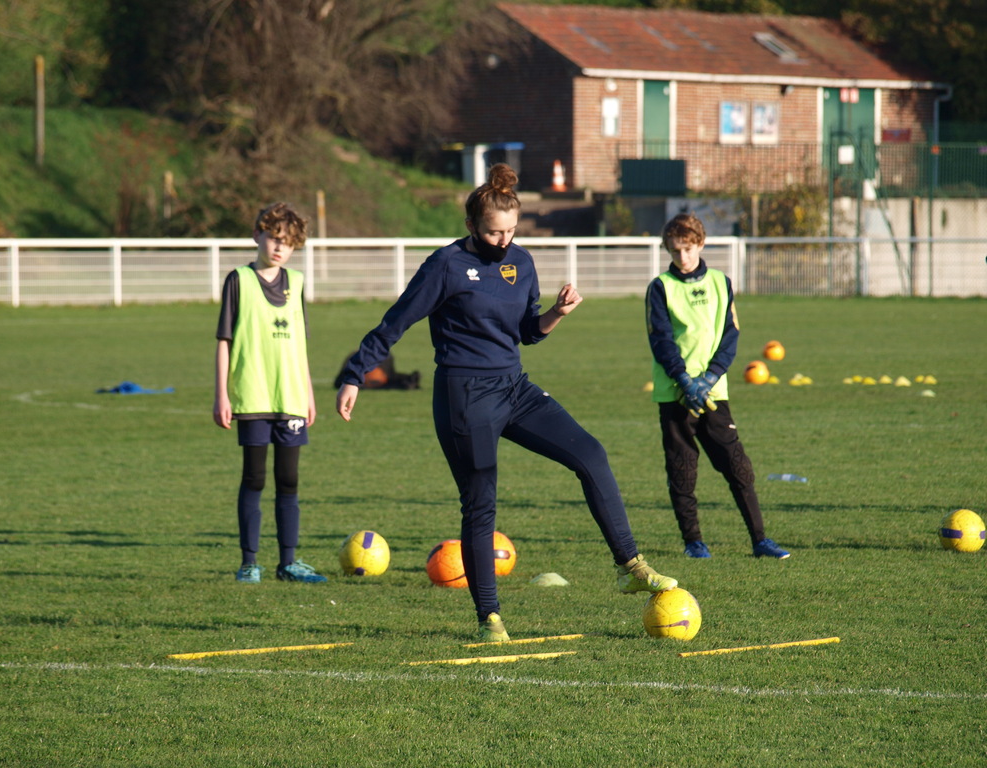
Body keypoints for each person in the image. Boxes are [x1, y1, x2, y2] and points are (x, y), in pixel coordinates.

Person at [336, 164, 677, 642]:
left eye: (512, 231)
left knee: (591, 454)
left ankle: (630, 566)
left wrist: (557, 313)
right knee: (481, 503)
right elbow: (396, 322)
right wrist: (355, 375)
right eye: (495, 232)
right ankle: (489, 618)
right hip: (464, 396)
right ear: (471, 225)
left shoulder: (522, 262)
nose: (504, 241)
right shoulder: (446, 265)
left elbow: (526, 333)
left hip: (514, 388)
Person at [645, 212, 789, 560]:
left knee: (738, 467)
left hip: (713, 393)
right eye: (675, 250)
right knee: (682, 470)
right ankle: (694, 542)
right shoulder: (661, 287)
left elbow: (730, 334)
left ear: (701, 244)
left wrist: (709, 378)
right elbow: (661, 341)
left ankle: (760, 540)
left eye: (688, 249)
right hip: (676, 395)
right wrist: (684, 381)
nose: (682, 257)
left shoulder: (720, 282)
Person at [213, 202, 327, 584]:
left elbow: (300, 344)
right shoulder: (239, 280)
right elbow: (225, 340)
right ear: (257, 235)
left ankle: (288, 563)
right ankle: (249, 563)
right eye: (274, 238)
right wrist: (222, 394)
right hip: (253, 396)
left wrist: (308, 394)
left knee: (289, 480)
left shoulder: (297, 283)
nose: (280, 247)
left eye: (288, 242)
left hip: (291, 397)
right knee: (255, 479)